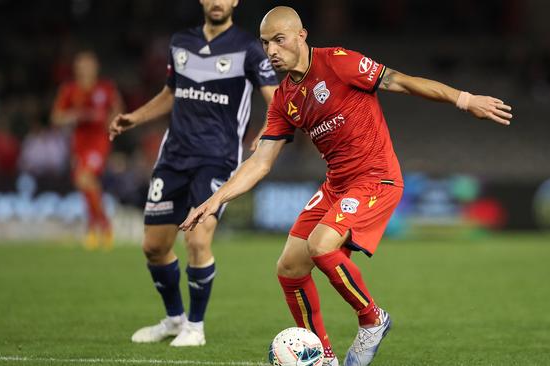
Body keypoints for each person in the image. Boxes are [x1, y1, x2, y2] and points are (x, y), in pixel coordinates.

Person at [180, 6, 513, 365]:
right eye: (265, 43)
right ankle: (322, 357)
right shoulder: (283, 99)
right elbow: (260, 162)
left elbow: (399, 80)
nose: (272, 50)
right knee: (289, 268)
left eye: (279, 40)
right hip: (337, 184)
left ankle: (372, 320)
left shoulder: (338, 62)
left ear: (301, 35)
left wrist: (465, 100)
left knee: (321, 245)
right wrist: (215, 199)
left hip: (376, 177)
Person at [109, 0, 278, 347]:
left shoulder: (248, 48)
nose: (217, 2)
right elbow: (171, 93)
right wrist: (134, 118)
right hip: (173, 157)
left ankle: (196, 328)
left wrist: (266, 131)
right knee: (154, 248)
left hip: (217, 159)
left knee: (198, 239)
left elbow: (275, 98)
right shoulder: (180, 42)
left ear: (234, 2)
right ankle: (174, 320)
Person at [51, 50, 123, 250]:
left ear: (95, 67)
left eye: (88, 65)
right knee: (84, 183)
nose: (85, 68)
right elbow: (56, 117)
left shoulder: (106, 87)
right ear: (76, 68)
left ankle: (103, 225)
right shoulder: (69, 90)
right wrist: (77, 115)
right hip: (79, 142)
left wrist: (111, 122)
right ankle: (95, 226)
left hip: (99, 141)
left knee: (84, 178)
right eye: (81, 65)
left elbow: (117, 109)